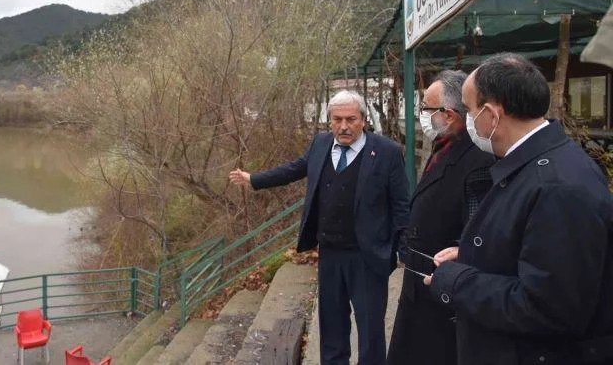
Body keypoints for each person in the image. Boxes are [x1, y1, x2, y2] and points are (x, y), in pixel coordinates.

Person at [424, 53, 613, 364]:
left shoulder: (557, 186)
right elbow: (536, 248)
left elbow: (549, 307)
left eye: (470, 110)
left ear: (492, 114)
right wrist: (477, 254)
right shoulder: (530, 166)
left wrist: (457, 282)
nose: (468, 120)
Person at [228, 90, 410, 365]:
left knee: (371, 331)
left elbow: (401, 206)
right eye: (337, 120)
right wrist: (254, 179)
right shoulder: (321, 144)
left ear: (363, 120)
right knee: (332, 327)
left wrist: (401, 251)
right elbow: (294, 169)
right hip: (329, 254)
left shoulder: (386, 152)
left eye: (350, 119)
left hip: (368, 256)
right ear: (330, 121)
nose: (343, 126)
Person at [387, 70, 494, 365]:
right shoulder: (444, 148)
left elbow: (477, 232)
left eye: (426, 108)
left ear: (448, 115)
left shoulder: (479, 162)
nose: (422, 114)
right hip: (418, 289)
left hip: (442, 298)